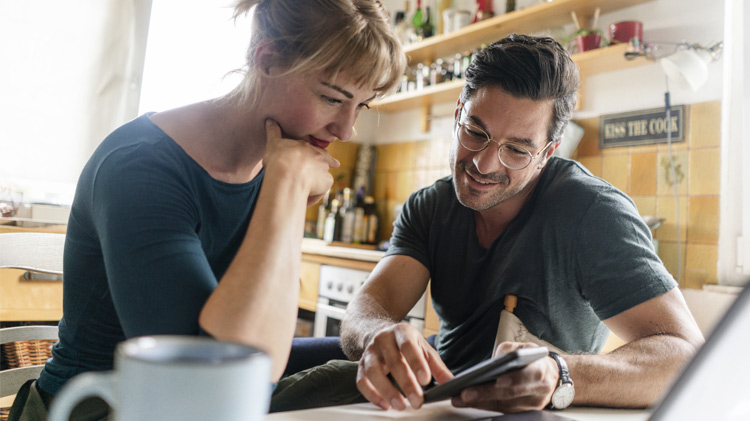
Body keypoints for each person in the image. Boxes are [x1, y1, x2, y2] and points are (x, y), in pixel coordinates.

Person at [8, 0, 404, 419]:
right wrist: (287, 190)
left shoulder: (276, 162)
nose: (346, 129)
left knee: (389, 378)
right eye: (331, 98)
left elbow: (252, 345)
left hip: (202, 395)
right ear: (266, 59)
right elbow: (203, 379)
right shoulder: (139, 167)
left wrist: (378, 346)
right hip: (102, 406)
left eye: (361, 105)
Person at [340, 34, 705, 413]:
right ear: (458, 114)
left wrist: (561, 375)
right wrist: (376, 334)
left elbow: (687, 355)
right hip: (436, 405)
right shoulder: (430, 206)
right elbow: (367, 307)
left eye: (516, 149)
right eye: (475, 133)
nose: (484, 164)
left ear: (547, 153)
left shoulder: (592, 214)